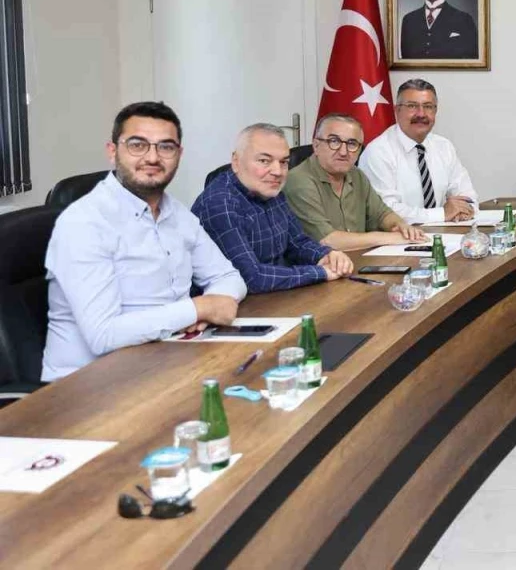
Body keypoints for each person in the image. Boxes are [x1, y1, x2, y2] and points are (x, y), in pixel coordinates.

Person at [42, 102, 247, 381]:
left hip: (165, 362)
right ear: (112, 152)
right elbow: (103, 335)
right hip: (88, 384)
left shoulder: (178, 214)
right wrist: (196, 309)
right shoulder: (84, 223)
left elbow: (228, 277)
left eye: (166, 147)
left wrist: (210, 307)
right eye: (137, 145)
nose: (152, 157)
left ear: (179, 155)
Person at [193, 123, 355, 294]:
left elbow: (298, 243)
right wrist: (321, 272)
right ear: (236, 162)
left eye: (284, 162)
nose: (278, 171)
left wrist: (327, 255)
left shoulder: (271, 191)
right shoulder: (219, 204)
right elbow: (251, 278)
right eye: (264, 161)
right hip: (239, 304)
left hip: (276, 295)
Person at [284, 113, 429, 250]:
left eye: (352, 144)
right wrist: (390, 238)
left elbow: (382, 214)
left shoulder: (356, 174)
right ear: (316, 146)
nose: (343, 152)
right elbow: (327, 240)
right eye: (334, 141)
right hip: (317, 265)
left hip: (358, 259)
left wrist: (401, 226)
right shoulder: (298, 181)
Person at [360, 80, 478, 224]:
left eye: (428, 107)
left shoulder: (444, 146)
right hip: (395, 236)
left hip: (443, 233)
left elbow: (467, 194)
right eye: (412, 106)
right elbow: (385, 212)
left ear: (435, 111)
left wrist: (463, 211)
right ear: (397, 110)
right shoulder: (378, 152)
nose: (421, 114)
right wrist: (442, 214)